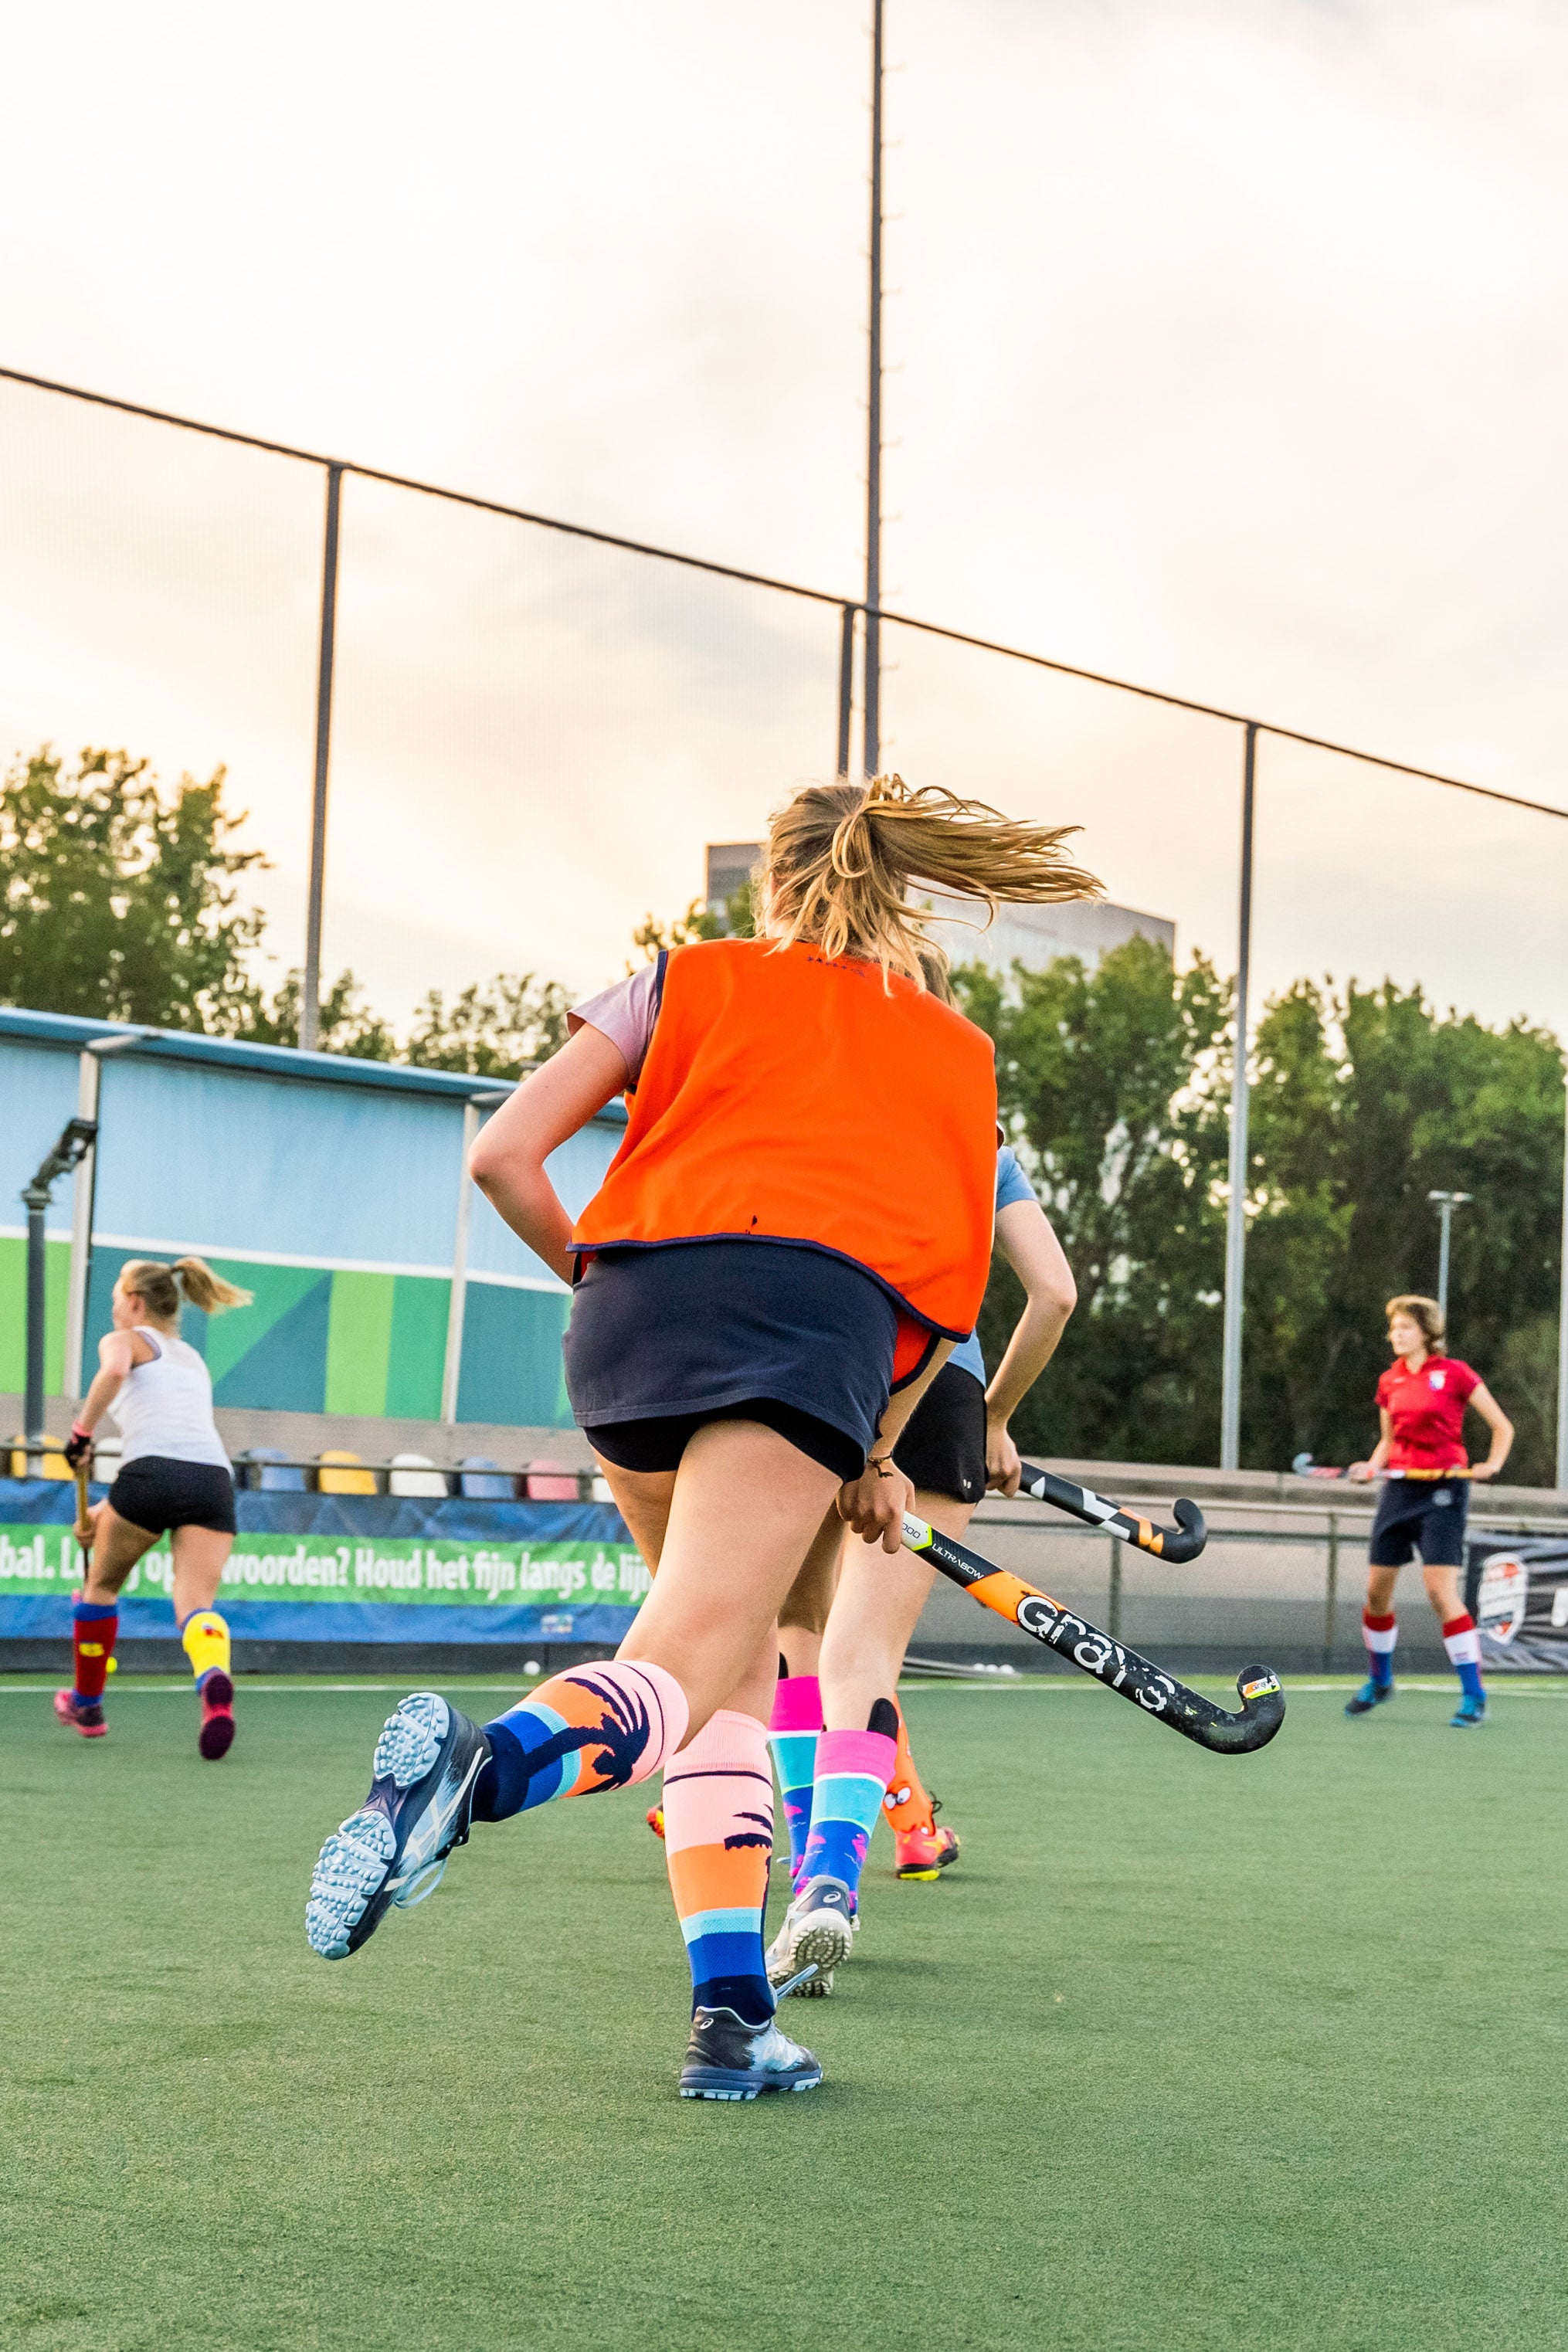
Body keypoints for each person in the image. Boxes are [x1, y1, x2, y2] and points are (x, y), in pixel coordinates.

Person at [304, 772, 1098, 2103]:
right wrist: (880, 1453)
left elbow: (502, 1157)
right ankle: (473, 1770)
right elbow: (954, 1293)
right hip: (807, 1332)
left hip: (625, 1316)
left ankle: (732, 2024)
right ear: (900, 896)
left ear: (772, 882)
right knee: (680, 1666)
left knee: (728, 1681)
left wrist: (604, 1282)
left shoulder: (680, 978)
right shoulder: (956, 1055)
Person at [762, 1138, 1075, 1997]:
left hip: (810, 1373)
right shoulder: (979, 1133)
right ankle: (831, 1883)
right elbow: (1054, 1293)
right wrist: (996, 1417)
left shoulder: (825, 1103)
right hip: (941, 1389)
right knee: (862, 1657)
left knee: (796, 1629)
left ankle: (806, 1886)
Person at [57, 1257, 253, 1756]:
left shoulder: (124, 1339)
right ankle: (212, 1676)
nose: (114, 1309)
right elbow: (178, 1448)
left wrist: (81, 1434)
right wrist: (103, 1512)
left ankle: (87, 1704)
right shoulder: (192, 1359)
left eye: (116, 1299)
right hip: (212, 1480)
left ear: (135, 1302)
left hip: (148, 1476)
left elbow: (115, 1372)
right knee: (195, 1606)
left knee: (100, 1587)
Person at [1344, 1293, 1513, 1729]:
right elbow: (1389, 1441)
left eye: (1405, 1327)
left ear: (1426, 1332)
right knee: (1376, 1595)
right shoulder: (1389, 1381)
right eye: (1393, 1328)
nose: (1396, 1335)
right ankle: (1380, 1681)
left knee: (1440, 1593)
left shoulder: (1455, 1374)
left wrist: (1492, 1464)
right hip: (1400, 1491)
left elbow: (1502, 1427)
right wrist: (1371, 1467)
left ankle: (1474, 1695)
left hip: (1444, 1492)